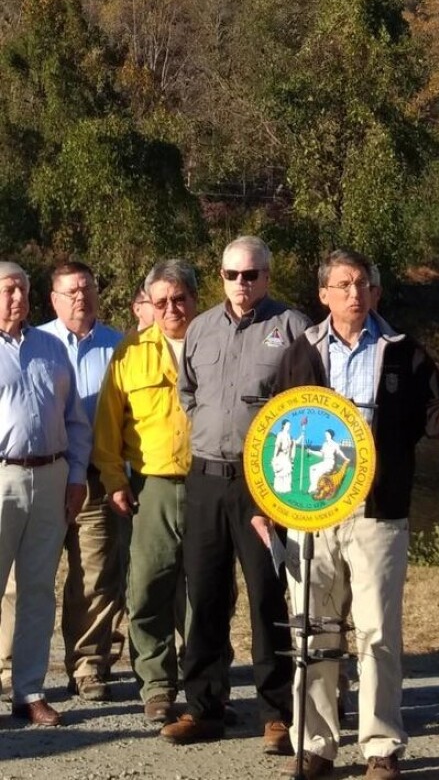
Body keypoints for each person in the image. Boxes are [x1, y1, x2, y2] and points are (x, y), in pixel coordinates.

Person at [270, 247, 439, 780]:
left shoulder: (405, 351)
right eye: (342, 285)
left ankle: (380, 747)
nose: (354, 293)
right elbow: (276, 432)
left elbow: (433, 416)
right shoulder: (300, 352)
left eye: (362, 284)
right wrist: (271, 503)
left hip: (379, 510)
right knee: (312, 629)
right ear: (323, 293)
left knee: (377, 632)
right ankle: (317, 745)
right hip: (311, 512)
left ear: (375, 292)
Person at [160, 236, 310, 755]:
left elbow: (309, 406)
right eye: (231, 275)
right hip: (205, 478)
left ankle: (278, 713)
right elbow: (188, 392)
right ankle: (203, 706)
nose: (241, 284)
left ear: (267, 276)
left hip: (264, 484)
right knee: (204, 595)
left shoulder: (293, 328)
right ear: (220, 276)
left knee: (269, 595)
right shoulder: (199, 328)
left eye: (251, 275)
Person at [93, 259, 198, 723]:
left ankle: (203, 685)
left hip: (209, 482)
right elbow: (107, 426)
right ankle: (156, 686)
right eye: (161, 302)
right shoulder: (130, 352)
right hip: (149, 484)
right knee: (147, 587)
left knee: (204, 592)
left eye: (179, 299)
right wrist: (114, 480)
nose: (171, 308)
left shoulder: (216, 344)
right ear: (148, 306)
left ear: (195, 299)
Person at [0, 261, 91, 726]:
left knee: (38, 588)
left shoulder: (51, 348)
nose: (16, 297)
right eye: (7, 289)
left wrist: (77, 477)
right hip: (2, 479)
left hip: (51, 475)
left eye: (22, 289)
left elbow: (75, 420)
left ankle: (29, 692)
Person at [35, 262, 124, 702]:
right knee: (25, 577)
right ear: (53, 299)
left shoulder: (120, 346)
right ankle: (13, 668)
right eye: (70, 291)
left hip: (94, 478)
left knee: (94, 577)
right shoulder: (36, 343)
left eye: (86, 288)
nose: (80, 298)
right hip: (43, 475)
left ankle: (88, 665)